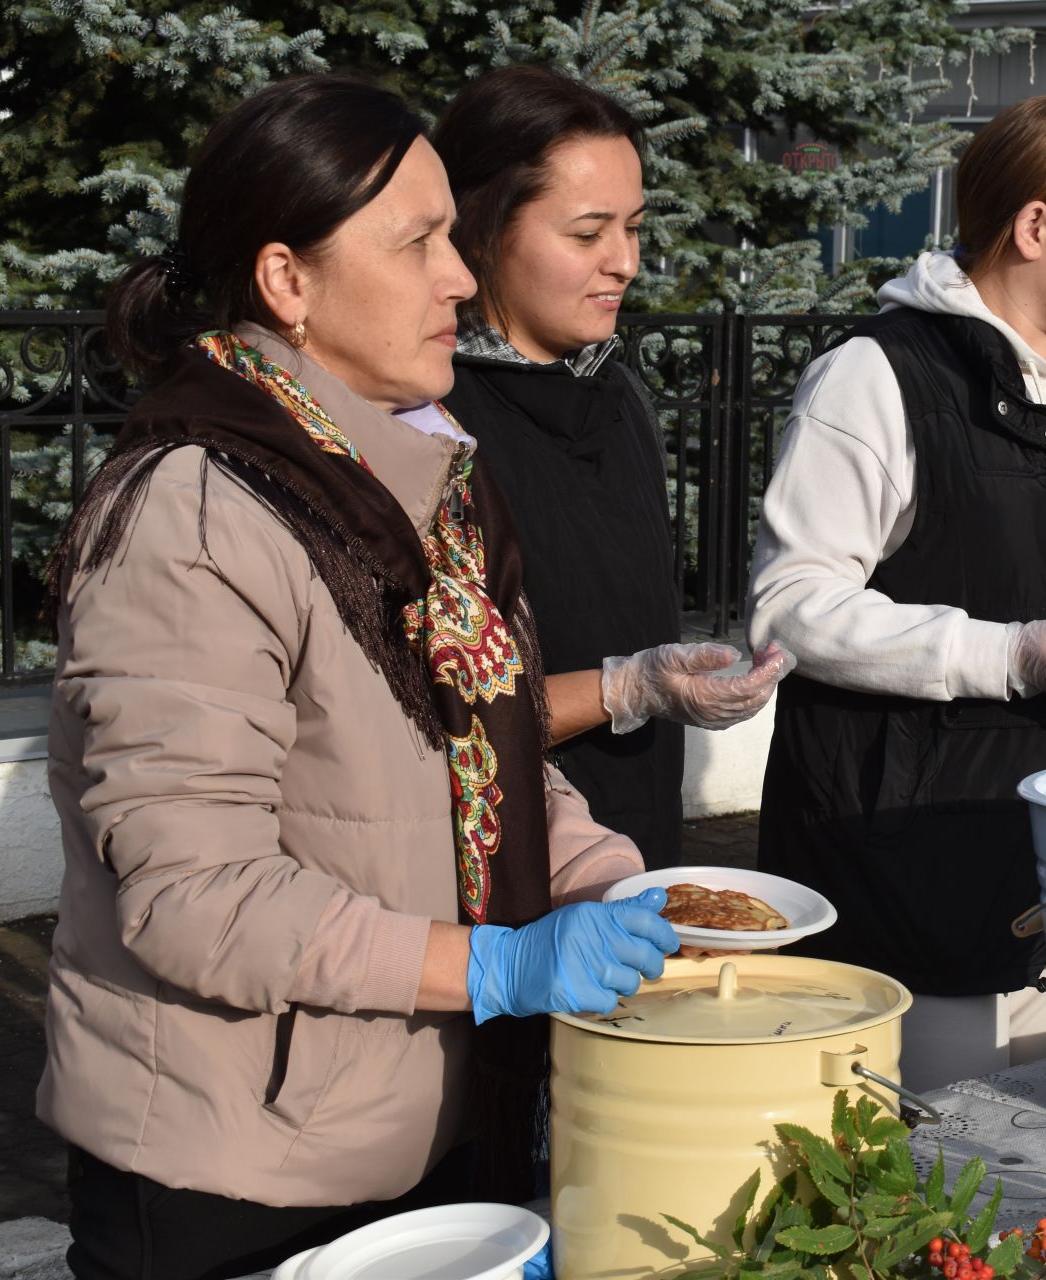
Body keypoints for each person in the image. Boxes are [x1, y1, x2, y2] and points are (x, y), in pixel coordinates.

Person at [40, 76, 680, 1280]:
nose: (458, 276)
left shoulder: (423, 483)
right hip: (234, 1167)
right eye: (419, 243)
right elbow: (197, 897)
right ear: (288, 279)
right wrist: (495, 966)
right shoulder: (195, 509)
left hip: (418, 1127)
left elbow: (483, 758)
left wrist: (616, 880)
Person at [747, 95, 1046, 1091]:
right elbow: (790, 608)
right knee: (939, 1198)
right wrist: (1012, 654)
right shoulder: (876, 377)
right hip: (917, 879)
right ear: (1033, 227)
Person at [433, 66, 789, 867]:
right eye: (589, 233)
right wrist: (625, 687)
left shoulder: (617, 391)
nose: (626, 262)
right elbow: (427, 711)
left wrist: (669, 683)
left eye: (634, 227)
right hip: (498, 877)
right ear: (483, 230)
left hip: (637, 847)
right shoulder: (433, 419)